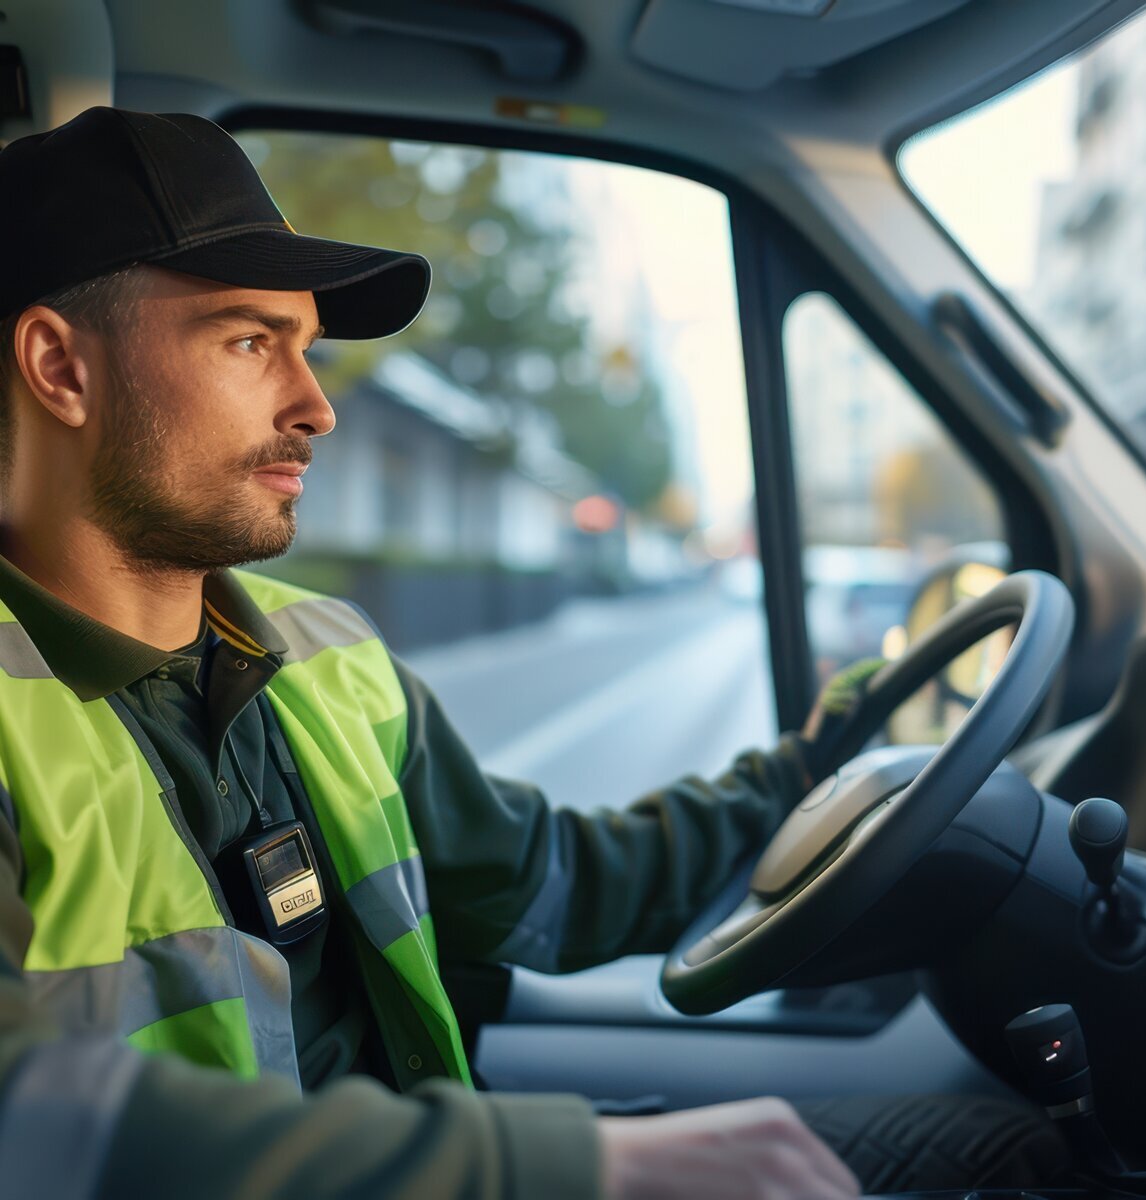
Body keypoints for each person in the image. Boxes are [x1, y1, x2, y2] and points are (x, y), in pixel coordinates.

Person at [0, 107, 1062, 1200]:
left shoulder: (326, 658)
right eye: (246, 341)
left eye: (307, 349)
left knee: (1006, 1156)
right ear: (60, 368)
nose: (316, 405)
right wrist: (558, 1167)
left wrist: (801, 776)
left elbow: (550, 882)